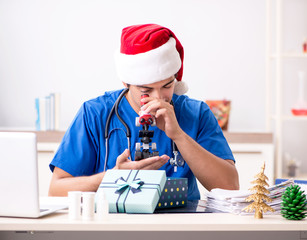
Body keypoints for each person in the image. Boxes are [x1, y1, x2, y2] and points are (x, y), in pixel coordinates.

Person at [48, 23, 239, 200]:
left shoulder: (196, 113)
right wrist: (113, 177)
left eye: (167, 86)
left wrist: (179, 136)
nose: (158, 98)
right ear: (125, 82)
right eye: (146, 90)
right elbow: (56, 191)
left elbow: (230, 186)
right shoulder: (94, 113)